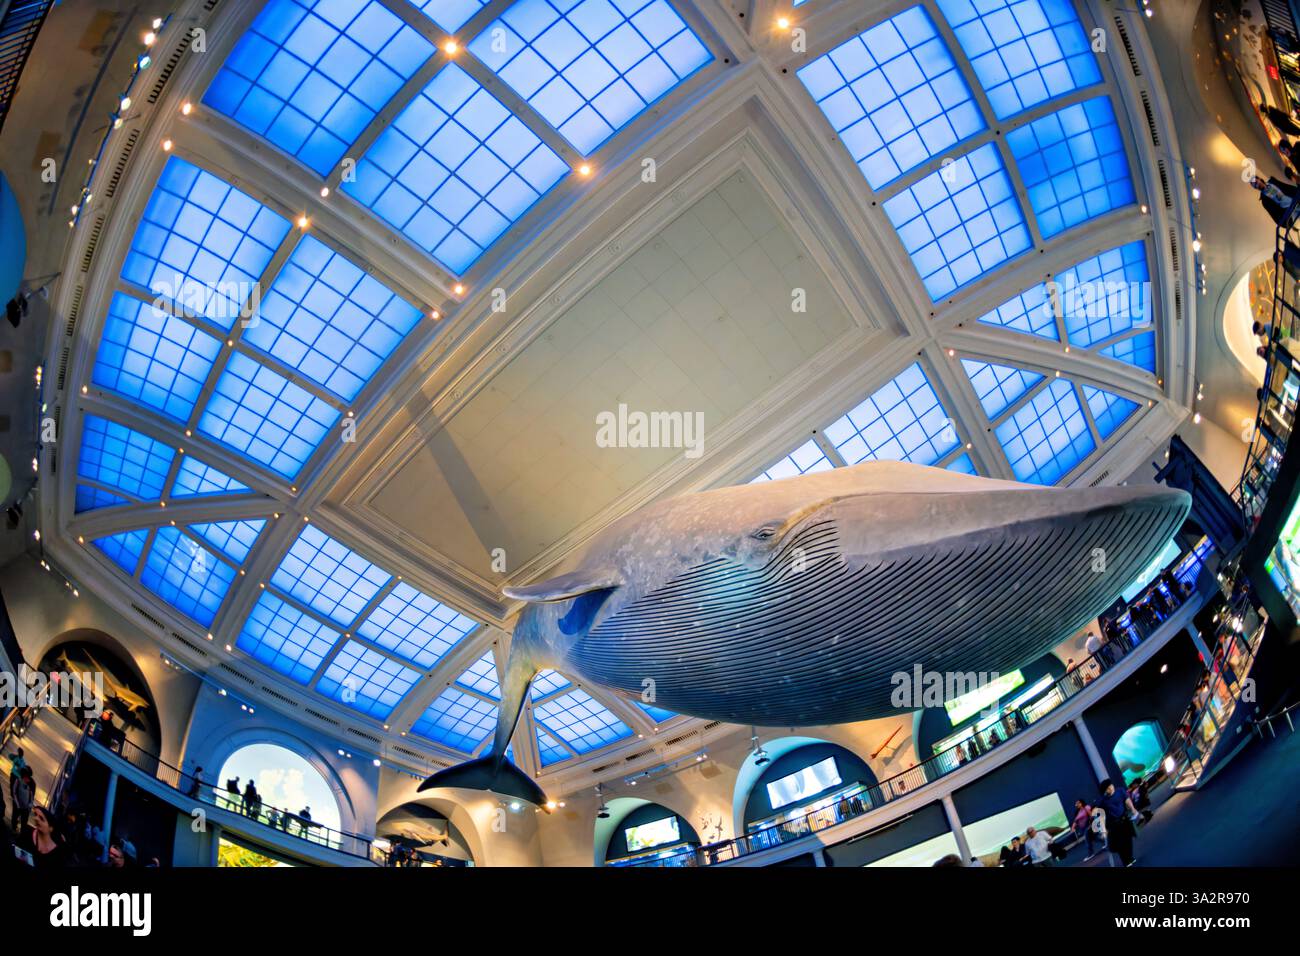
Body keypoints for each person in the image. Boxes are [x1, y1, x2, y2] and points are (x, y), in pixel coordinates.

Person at [1098, 777, 1139, 866]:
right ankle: (1126, 861)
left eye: (1111, 785)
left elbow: (1127, 800)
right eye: (1107, 788)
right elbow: (1101, 816)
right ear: (1105, 791)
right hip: (1114, 825)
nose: (1110, 788)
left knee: (1128, 839)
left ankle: (1130, 857)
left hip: (1124, 820)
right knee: (1120, 844)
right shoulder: (1103, 802)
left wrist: (1133, 810)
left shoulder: (1120, 791)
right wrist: (1103, 830)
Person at [11, 767, 34, 833]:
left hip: (25, 808)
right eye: (27, 777)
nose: (28, 779)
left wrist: (29, 806)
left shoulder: (30, 785)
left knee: (24, 823)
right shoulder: (18, 781)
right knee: (14, 819)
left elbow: (31, 797)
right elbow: (14, 793)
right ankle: (13, 830)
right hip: (18, 806)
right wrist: (17, 805)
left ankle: (21, 834)